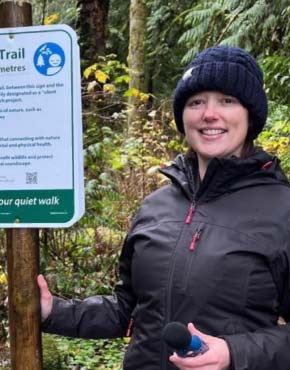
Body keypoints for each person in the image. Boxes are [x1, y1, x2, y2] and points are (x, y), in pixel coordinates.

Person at [37, 46, 290, 370]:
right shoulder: (155, 207)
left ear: (250, 116)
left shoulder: (281, 210)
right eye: (196, 102)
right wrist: (51, 311)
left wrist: (234, 353)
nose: (209, 114)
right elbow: (126, 311)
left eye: (227, 101)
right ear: (182, 116)